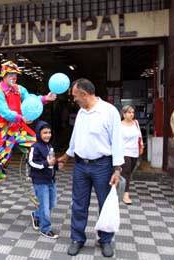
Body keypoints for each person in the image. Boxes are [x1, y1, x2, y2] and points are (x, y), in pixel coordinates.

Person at [57, 78, 124, 258]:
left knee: (105, 204)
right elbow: (75, 139)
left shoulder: (109, 112)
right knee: (79, 204)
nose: (74, 99)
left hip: (102, 166)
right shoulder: (81, 112)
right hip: (80, 165)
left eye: (75, 96)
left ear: (84, 94)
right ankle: (77, 239)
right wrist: (65, 157)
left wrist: (117, 170)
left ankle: (105, 240)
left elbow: (117, 141)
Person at [0, 60, 56, 199]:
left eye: (15, 74)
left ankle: (37, 172)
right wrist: (21, 118)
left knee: (36, 144)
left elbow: (30, 99)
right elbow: (4, 112)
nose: (14, 77)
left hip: (17, 127)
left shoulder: (19, 89)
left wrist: (44, 98)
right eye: (11, 74)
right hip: (2, 129)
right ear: (4, 75)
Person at [28, 120, 63, 239]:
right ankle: (45, 229)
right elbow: (32, 162)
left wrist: (57, 165)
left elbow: (52, 161)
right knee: (45, 206)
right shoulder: (34, 147)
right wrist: (45, 164)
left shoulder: (49, 146)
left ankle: (36, 215)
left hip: (51, 180)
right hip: (40, 181)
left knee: (52, 203)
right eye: (44, 133)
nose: (48, 135)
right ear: (39, 133)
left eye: (49, 132)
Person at [120, 105, 143, 205]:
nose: (132, 114)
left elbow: (139, 136)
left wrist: (141, 146)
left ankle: (118, 185)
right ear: (124, 114)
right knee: (126, 171)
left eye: (133, 112)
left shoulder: (136, 123)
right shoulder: (119, 125)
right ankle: (125, 194)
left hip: (134, 151)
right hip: (124, 151)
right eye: (129, 112)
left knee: (129, 172)